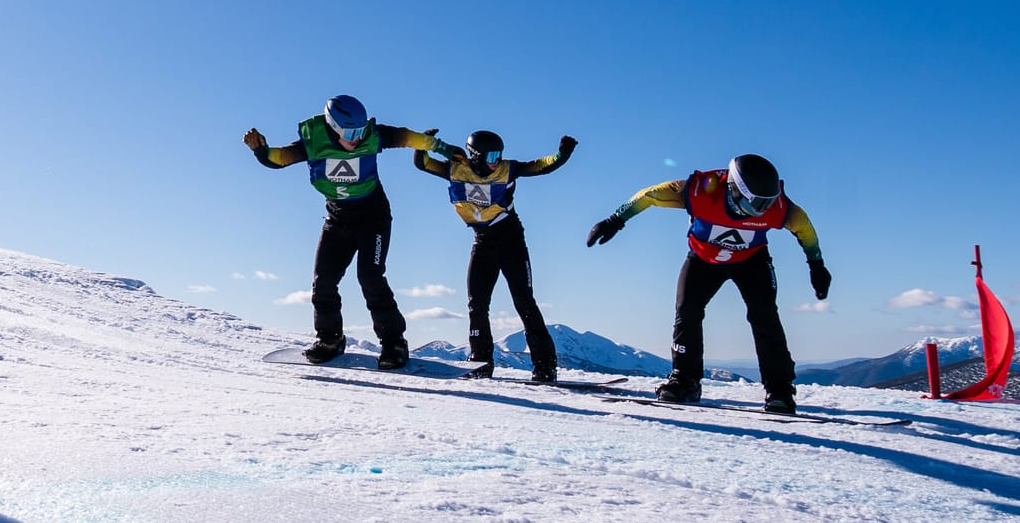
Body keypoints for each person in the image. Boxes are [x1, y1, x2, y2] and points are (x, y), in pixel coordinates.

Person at [585, 153, 831, 413]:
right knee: (687, 311)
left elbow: (804, 229)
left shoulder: (780, 208)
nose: (761, 210)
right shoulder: (698, 192)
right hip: (703, 261)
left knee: (764, 316)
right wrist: (615, 220)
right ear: (733, 189)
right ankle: (685, 379)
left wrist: (816, 265)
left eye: (767, 203)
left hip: (752, 261)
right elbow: (649, 195)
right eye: (755, 204)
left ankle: (780, 388)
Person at [244, 95, 453, 369]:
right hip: (338, 220)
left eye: (360, 130)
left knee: (370, 277)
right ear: (331, 127)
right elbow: (279, 159)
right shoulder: (313, 142)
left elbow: (408, 138)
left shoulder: (373, 136)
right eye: (349, 133)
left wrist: (442, 147)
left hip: (373, 218)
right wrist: (261, 150)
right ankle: (329, 340)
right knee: (324, 281)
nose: (356, 138)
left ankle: (394, 343)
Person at [416, 130, 578, 382]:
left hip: (510, 239)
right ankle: (481, 360)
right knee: (477, 304)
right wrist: (423, 143)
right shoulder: (456, 169)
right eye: (492, 154)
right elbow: (422, 163)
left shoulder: (508, 169)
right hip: (482, 242)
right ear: (476, 155)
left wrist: (562, 154)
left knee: (524, 301)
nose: (497, 159)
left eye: (500, 153)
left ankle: (545, 366)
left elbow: (541, 167)